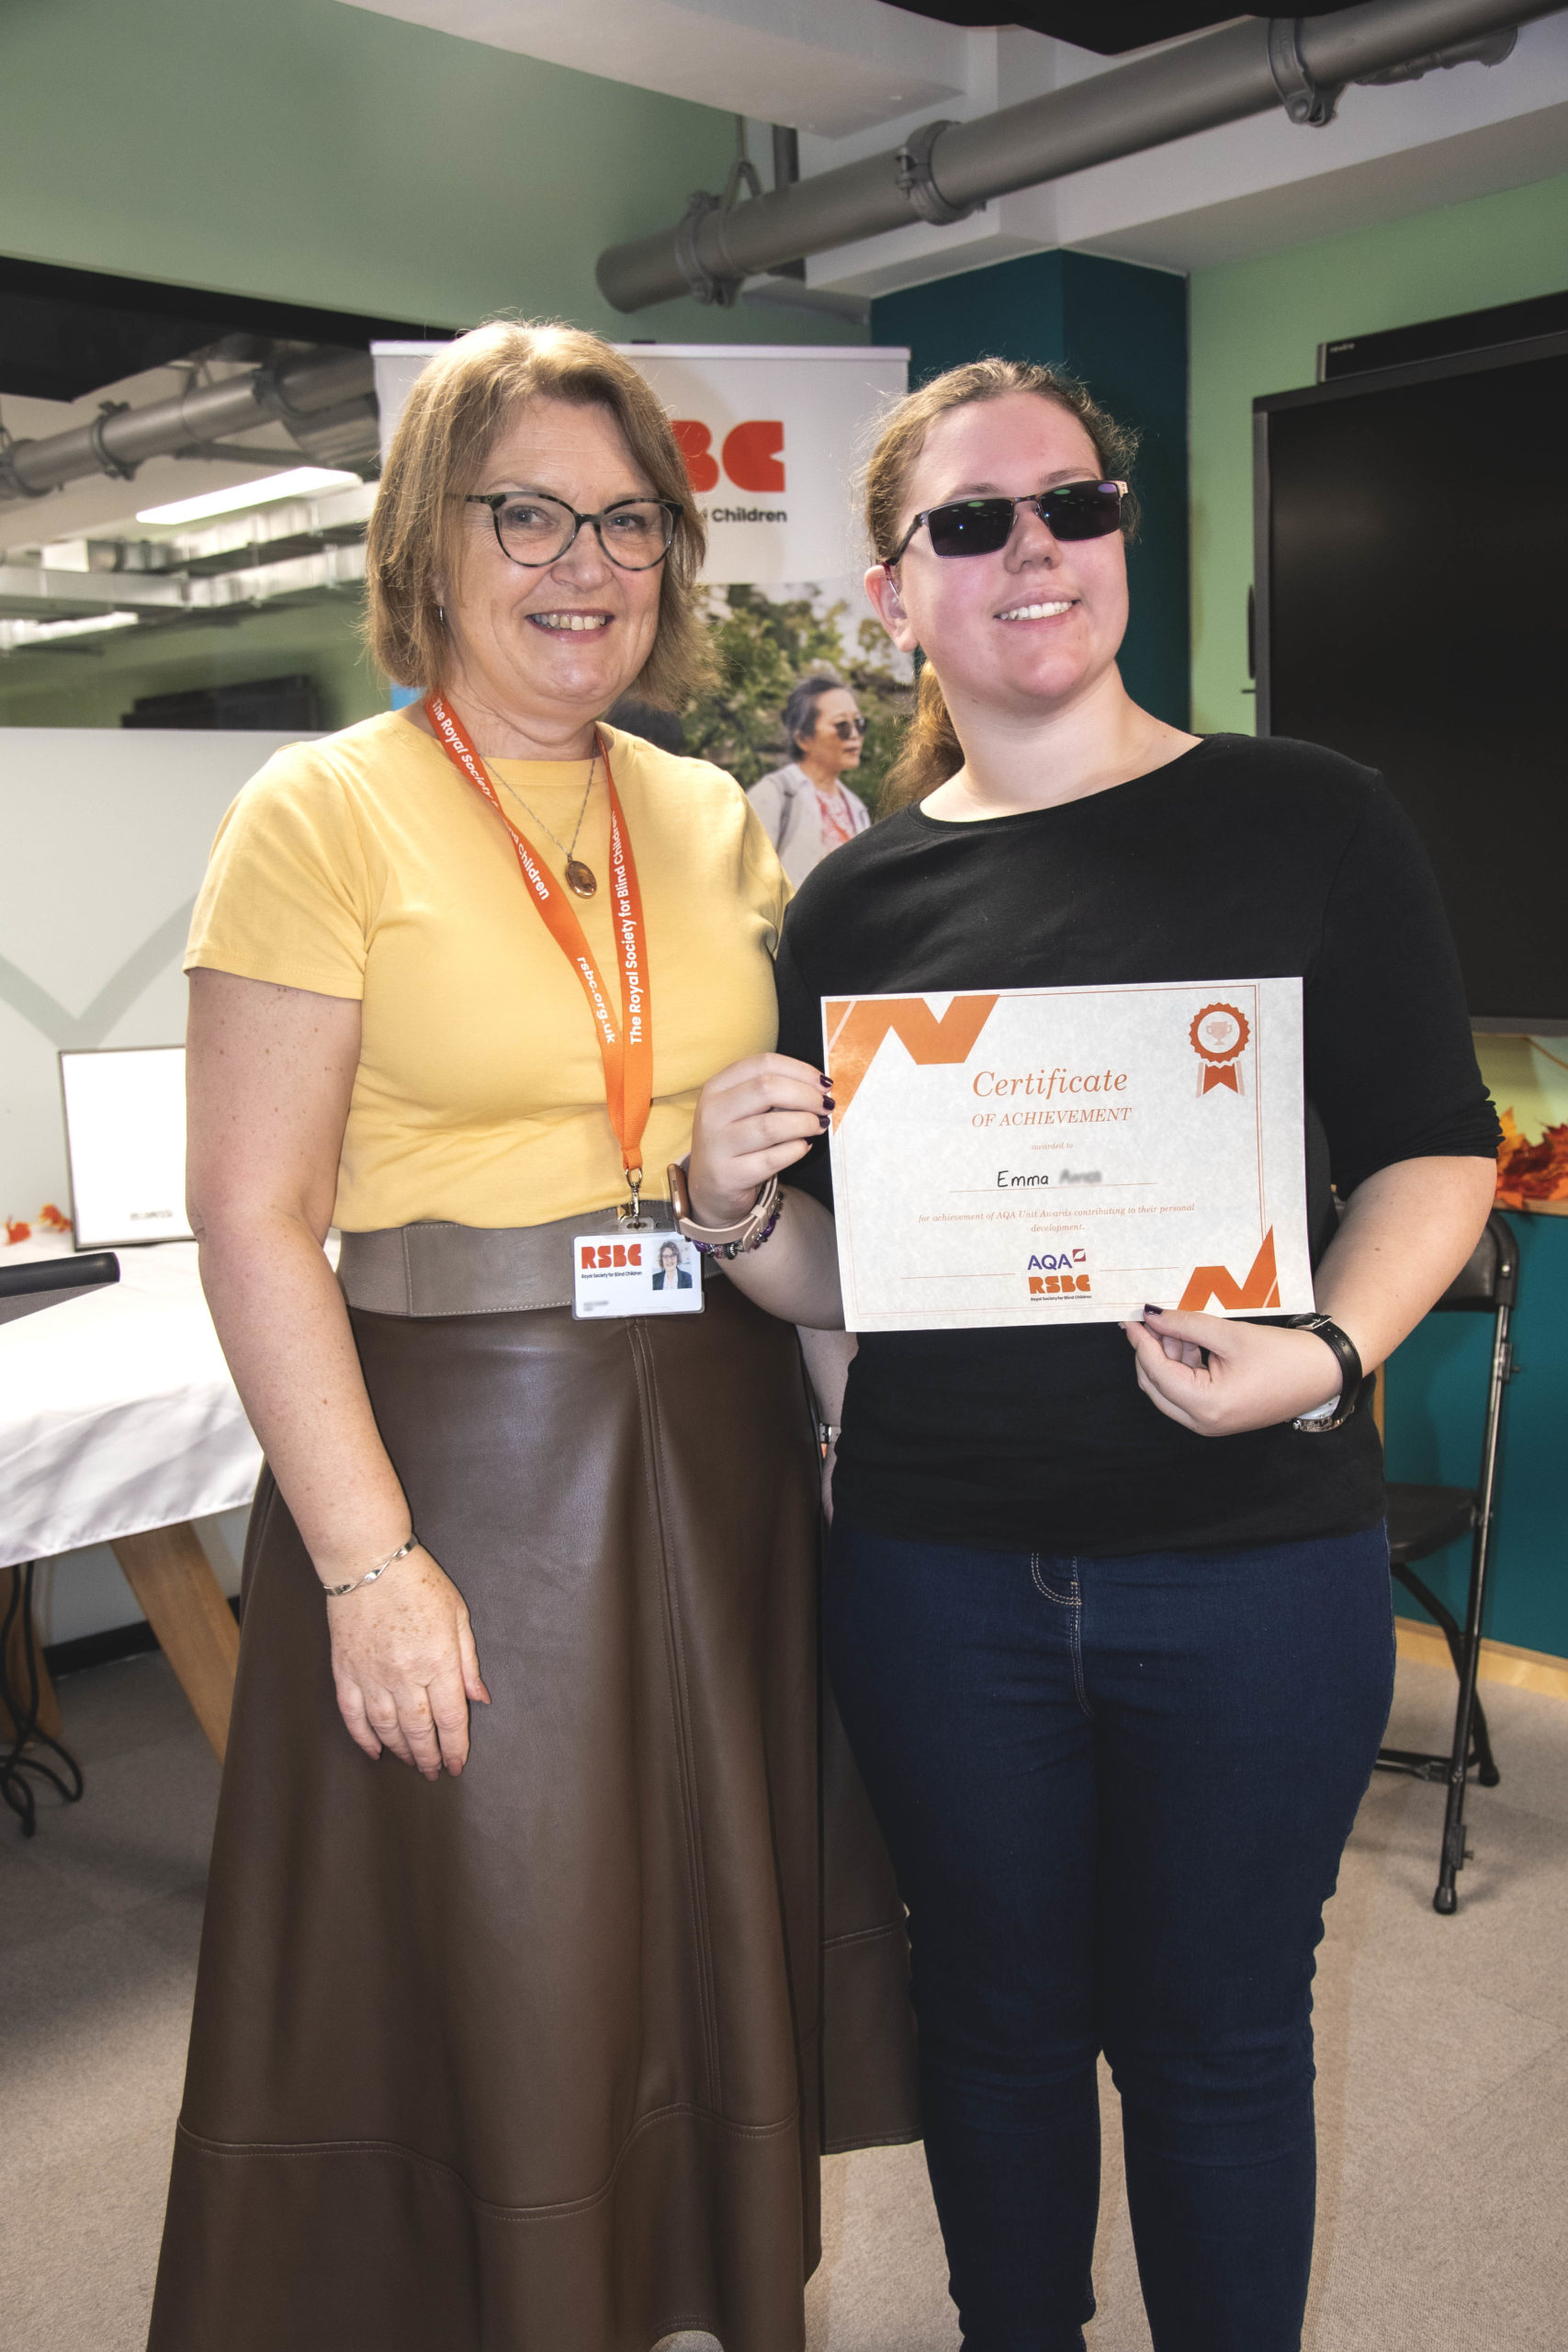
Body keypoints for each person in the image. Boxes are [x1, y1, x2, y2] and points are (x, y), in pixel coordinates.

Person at [680, 357, 1499, 2351]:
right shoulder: (852, 901)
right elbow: (851, 1280)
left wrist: (1324, 1352)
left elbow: (1434, 1146)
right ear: (896, 593)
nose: (1032, 547)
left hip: (1251, 1564)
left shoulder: (1311, 818)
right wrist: (729, 1209)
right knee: (992, 2020)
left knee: (1218, 2036)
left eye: (1074, 504)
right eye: (971, 522)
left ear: (1121, 534)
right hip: (939, 1568)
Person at [149, 320, 915, 2352]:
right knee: (505, 1963)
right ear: (430, 539)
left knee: (694, 1944)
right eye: (528, 517)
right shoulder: (321, 811)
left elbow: (755, 1159)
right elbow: (250, 1216)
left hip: (716, 1436)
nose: (585, 564)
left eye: (627, 521)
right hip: (456, 1460)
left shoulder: (709, 813)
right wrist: (364, 1564)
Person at [747, 673, 872, 885]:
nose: (854, 735)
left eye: (859, 724)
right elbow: (748, 878)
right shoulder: (774, 794)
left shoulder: (855, 807)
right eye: (842, 725)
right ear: (803, 739)